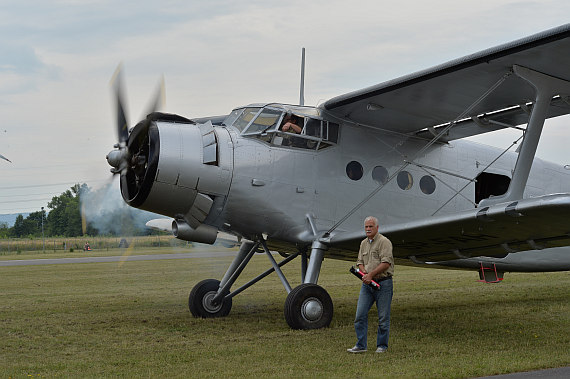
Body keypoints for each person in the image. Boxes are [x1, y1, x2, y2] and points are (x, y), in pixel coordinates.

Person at [347, 216, 394, 353]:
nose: (368, 229)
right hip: (367, 285)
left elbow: (386, 263)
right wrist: (364, 274)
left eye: (371, 226)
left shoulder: (384, 242)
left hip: (383, 284)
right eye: (366, 227)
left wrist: (370, 275)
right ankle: (361, 345)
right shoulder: (363, 243)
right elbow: (359, 262)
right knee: (359, 315)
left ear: (377, 228)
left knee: (383, 318)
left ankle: (382, 346)